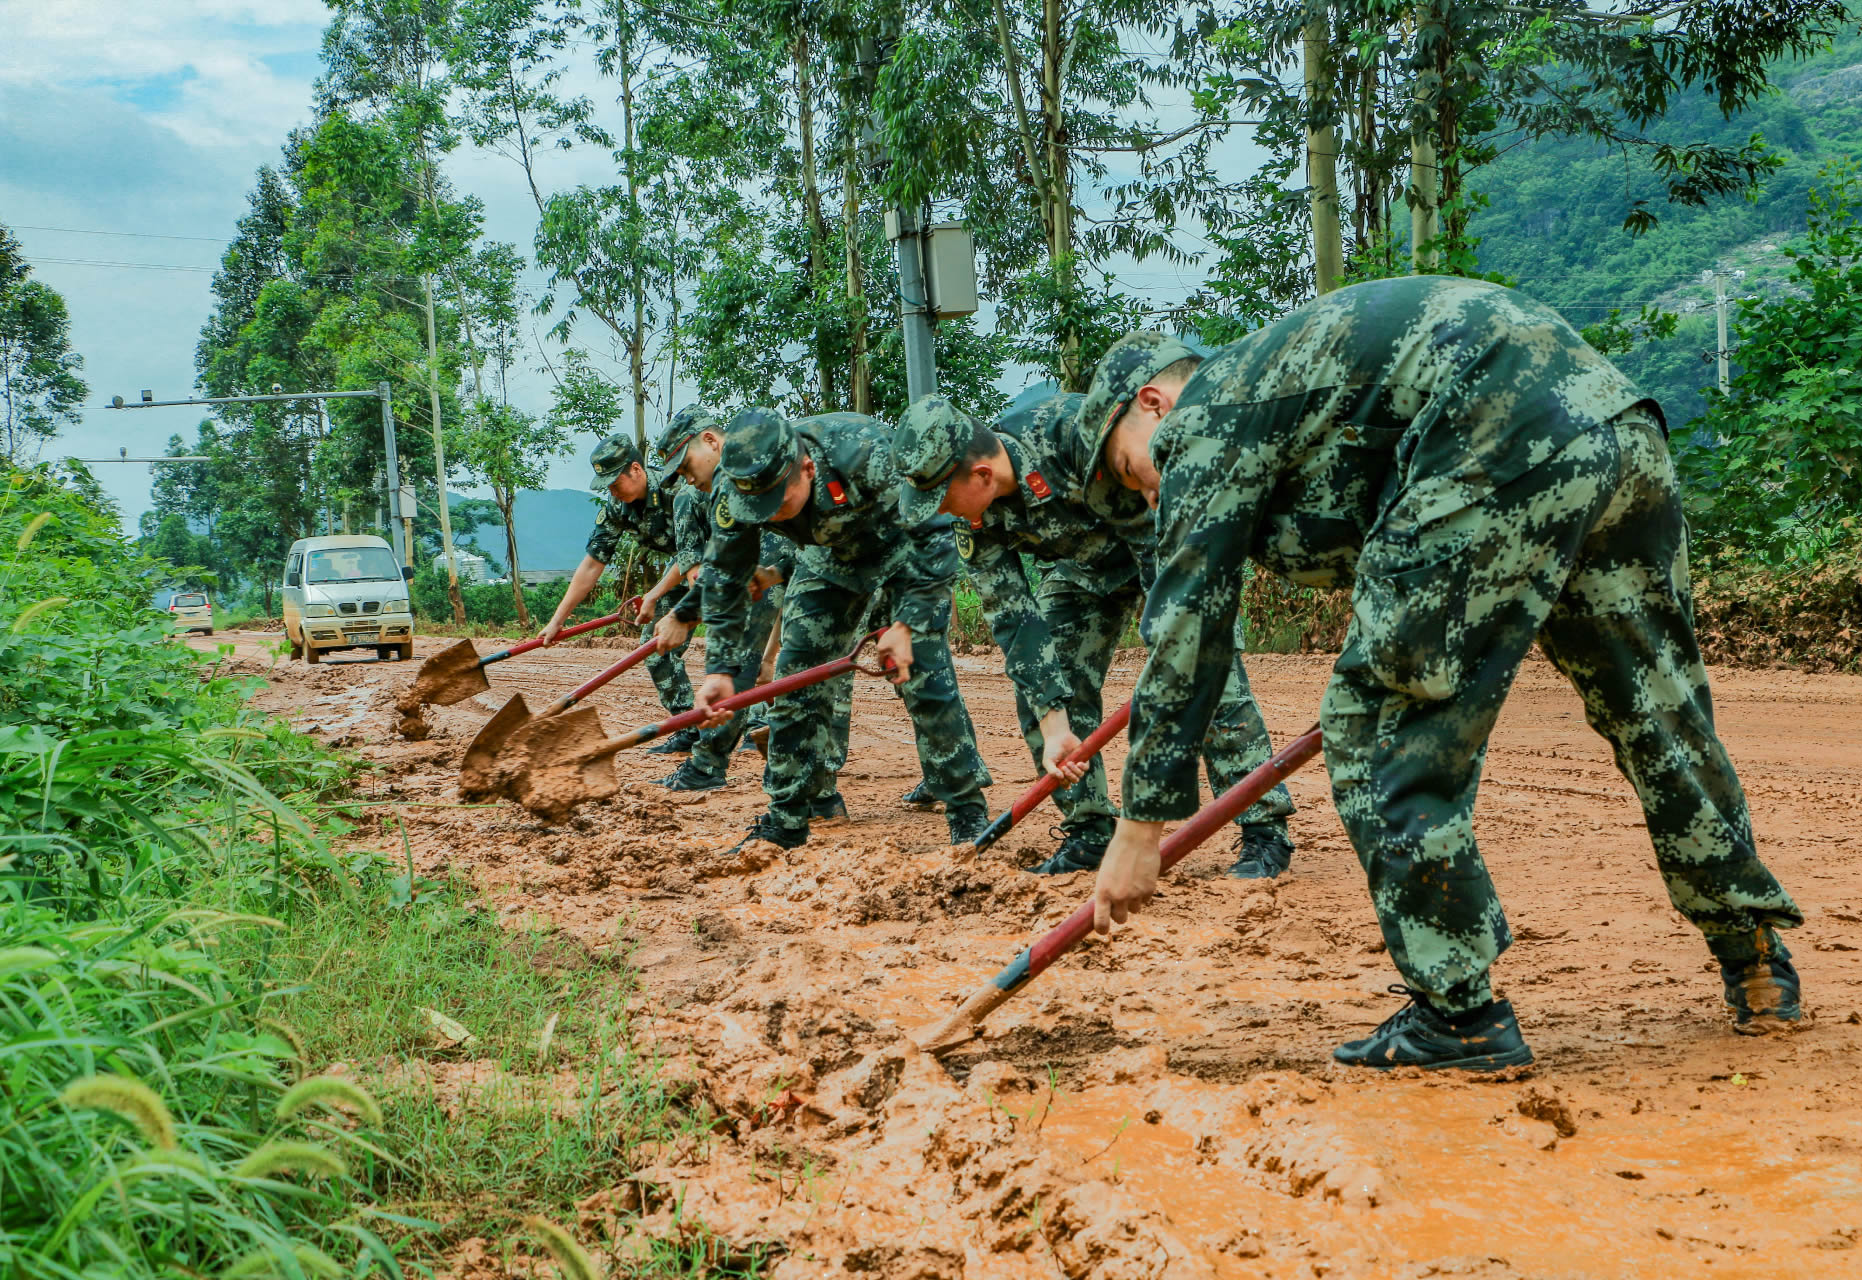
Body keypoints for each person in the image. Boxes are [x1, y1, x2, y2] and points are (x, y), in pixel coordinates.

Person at [1083, 276, 1805, 1072]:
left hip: (1496, 429)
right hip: (1614, 423)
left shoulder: (1209, 414)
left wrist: (1138, 827)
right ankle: (1755, 957)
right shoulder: (1285, 385)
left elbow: (1188, 626)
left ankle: (1459, 1014)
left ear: (1151, 404)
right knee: (1655, 702)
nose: (1150, 498)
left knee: (1377, 724)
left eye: (1128, 471)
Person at [890, 391, 1297, 877]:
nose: (943, 512)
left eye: (941, 498)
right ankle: (1089, 832)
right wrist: (1054, 722)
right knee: (1045, 686)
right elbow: (1014, 619)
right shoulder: (977, 520)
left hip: (1163, 549)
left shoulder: (1072, 435)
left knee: (1206, 674)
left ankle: (1263, 829)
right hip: (1083, 571)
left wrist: (1177, 644)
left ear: (980, 474)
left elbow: (1159, 529)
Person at [691, 407, 993, 851]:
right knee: (794, 681)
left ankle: (966, 808)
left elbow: (936, 536)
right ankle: (788, 818)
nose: (770, 516)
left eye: (779, 502)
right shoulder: (735, 488)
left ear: (807, 468)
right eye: (759, 509)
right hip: (828, 559)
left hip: (903, 553)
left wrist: (906, 624)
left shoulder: (869, 454)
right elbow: (724, 576)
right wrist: (718, 669)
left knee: (924, 675)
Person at [644, 406, 848, 823]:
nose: (686, 478)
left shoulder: (764, 463)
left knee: (766, 664)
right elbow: (723, 562)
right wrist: (685, 612)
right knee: (794, 670)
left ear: (712, 442)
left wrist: (685, 614)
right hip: (788, 567)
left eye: (685, 465)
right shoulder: (720, 488)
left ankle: (709, 764)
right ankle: (818, 794)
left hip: (842, 563)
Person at [537, 434, 698, 753]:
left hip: (727, 560)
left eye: (615, 483)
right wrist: (558, 621)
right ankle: (689, 727)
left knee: (742, 642)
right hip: (683, 569)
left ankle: (755, 726)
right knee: (656, 645)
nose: (611, 491)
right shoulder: (617, 507)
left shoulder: (678, 489)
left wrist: (653, 595)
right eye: (606, 485)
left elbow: (695, 550)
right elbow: (592, 565)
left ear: (636, 469)